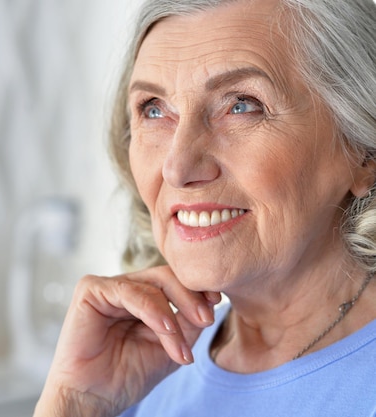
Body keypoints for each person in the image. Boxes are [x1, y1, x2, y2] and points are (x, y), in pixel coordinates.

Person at [33, 0, 376, 415]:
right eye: (154, 110)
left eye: (241, 105)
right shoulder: (133, 370)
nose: (178, 167)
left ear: (363, 151)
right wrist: (75, 402)